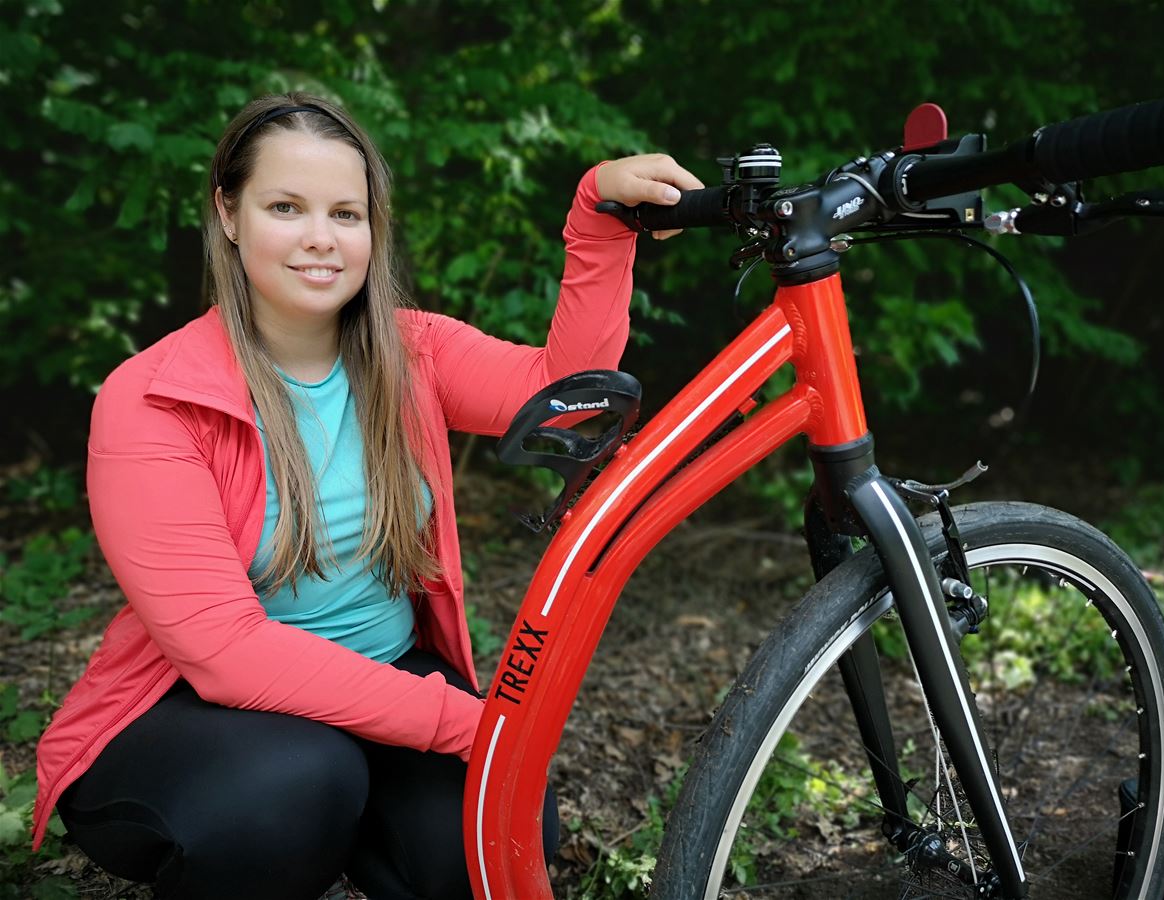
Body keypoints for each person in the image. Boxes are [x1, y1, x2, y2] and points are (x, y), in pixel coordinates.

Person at [31, 91, 701, 899]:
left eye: (346, 213)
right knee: (294, 786)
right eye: (286, 206)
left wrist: (597, 224)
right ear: (229, 213)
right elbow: (223, 652)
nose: (321, 238)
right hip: (187, 714)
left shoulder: (412, 350)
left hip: (382, 673)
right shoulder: (153, 398)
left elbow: (569, 396)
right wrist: (471, 724)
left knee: (488, 837)